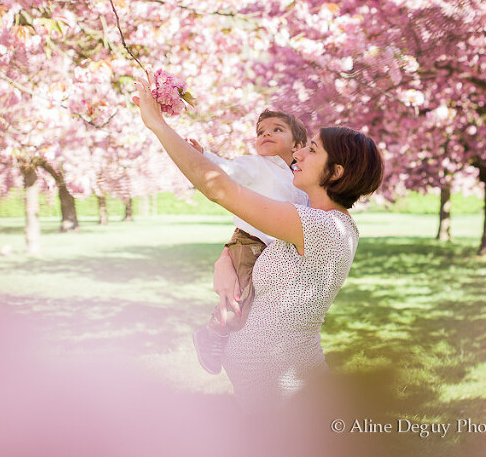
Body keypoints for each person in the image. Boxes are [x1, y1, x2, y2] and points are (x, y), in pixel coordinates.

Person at [133, 73, 384, 406]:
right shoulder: (307, 217)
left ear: (335, 172)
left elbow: (218, 188)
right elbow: (256, 237)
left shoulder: (323, 226)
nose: (299, 156)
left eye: (312, 150)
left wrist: (158, 125)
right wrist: (225, 258)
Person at [187, 110, 309, 375]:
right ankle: (212, 334)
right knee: (238, 298)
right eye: (261, 131)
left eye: (277, 129)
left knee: (263, 301)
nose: (266, 133)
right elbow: (226, 170)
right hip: (249, 243)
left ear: (297, 146)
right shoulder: (256, 165)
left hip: (275, 249)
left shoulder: (300, 177)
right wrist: (202, 155)